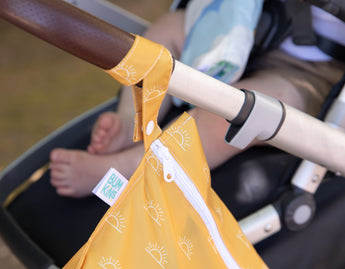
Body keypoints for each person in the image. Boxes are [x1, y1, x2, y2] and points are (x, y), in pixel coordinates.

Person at [49, 0, 345, 198]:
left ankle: (128, 168)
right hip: (248, 28)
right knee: (169, 28)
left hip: (314, 74)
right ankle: (133, 118)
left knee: (240, 111)